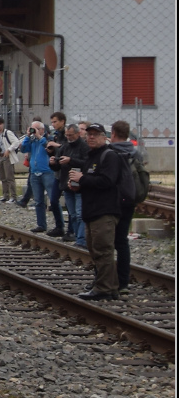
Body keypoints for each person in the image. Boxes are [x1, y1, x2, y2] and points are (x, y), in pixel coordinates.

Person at [70, 123, 131, 300]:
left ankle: (105, 288)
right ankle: (108, 286)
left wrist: (83, 178)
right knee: (96, 250)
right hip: (92, 211)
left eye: (96, 134)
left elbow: (107, 181)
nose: (91, 137)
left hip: (105, 211)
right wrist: (78, 186)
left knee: (103, 250)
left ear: (105, 136)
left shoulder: (109, 156)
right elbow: (91, 182)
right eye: (89, 134)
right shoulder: (91, 156)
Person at [108, 120, 149, 292]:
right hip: (129, 201)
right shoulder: (135, 153)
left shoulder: (109, 152)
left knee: (106, 242)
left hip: (111, 202)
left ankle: (106, 279)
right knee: (122, 241)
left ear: (114, 133)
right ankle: (123, 281)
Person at [49, 119, 89, 244]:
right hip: (67, 184)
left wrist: (70, 160)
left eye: (70, 135)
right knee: (72, 214)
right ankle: (78, 237)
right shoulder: (65, 146)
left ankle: (81, 240)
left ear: (77, 134)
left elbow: (87, 164)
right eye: (67, 135)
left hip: (81, 185)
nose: (68, 137)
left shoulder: (84, 147)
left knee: (79, 214)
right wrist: (53, 163)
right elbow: (58, 166)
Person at [23, 121, 59, 234]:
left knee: (53, 200)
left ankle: (59, 225)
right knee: (38, 201)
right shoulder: (32, 140)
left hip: (47, 172)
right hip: (35, 173)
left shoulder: (48, 138)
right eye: (32, 129)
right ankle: (41, 224)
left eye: (35, 129)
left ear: (42, 129)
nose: (33, 131)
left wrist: (39, 136)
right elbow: (23, 149)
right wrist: (27, 136)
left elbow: (48, 146)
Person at [0, 117, 20, 203]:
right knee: (2, 178)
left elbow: (16, 142)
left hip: (7, 157)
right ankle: (5, 195)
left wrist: (9, 150)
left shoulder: (8, 133)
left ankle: (13, 196)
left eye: (0, 124)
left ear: (3, 124)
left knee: (9, 177)